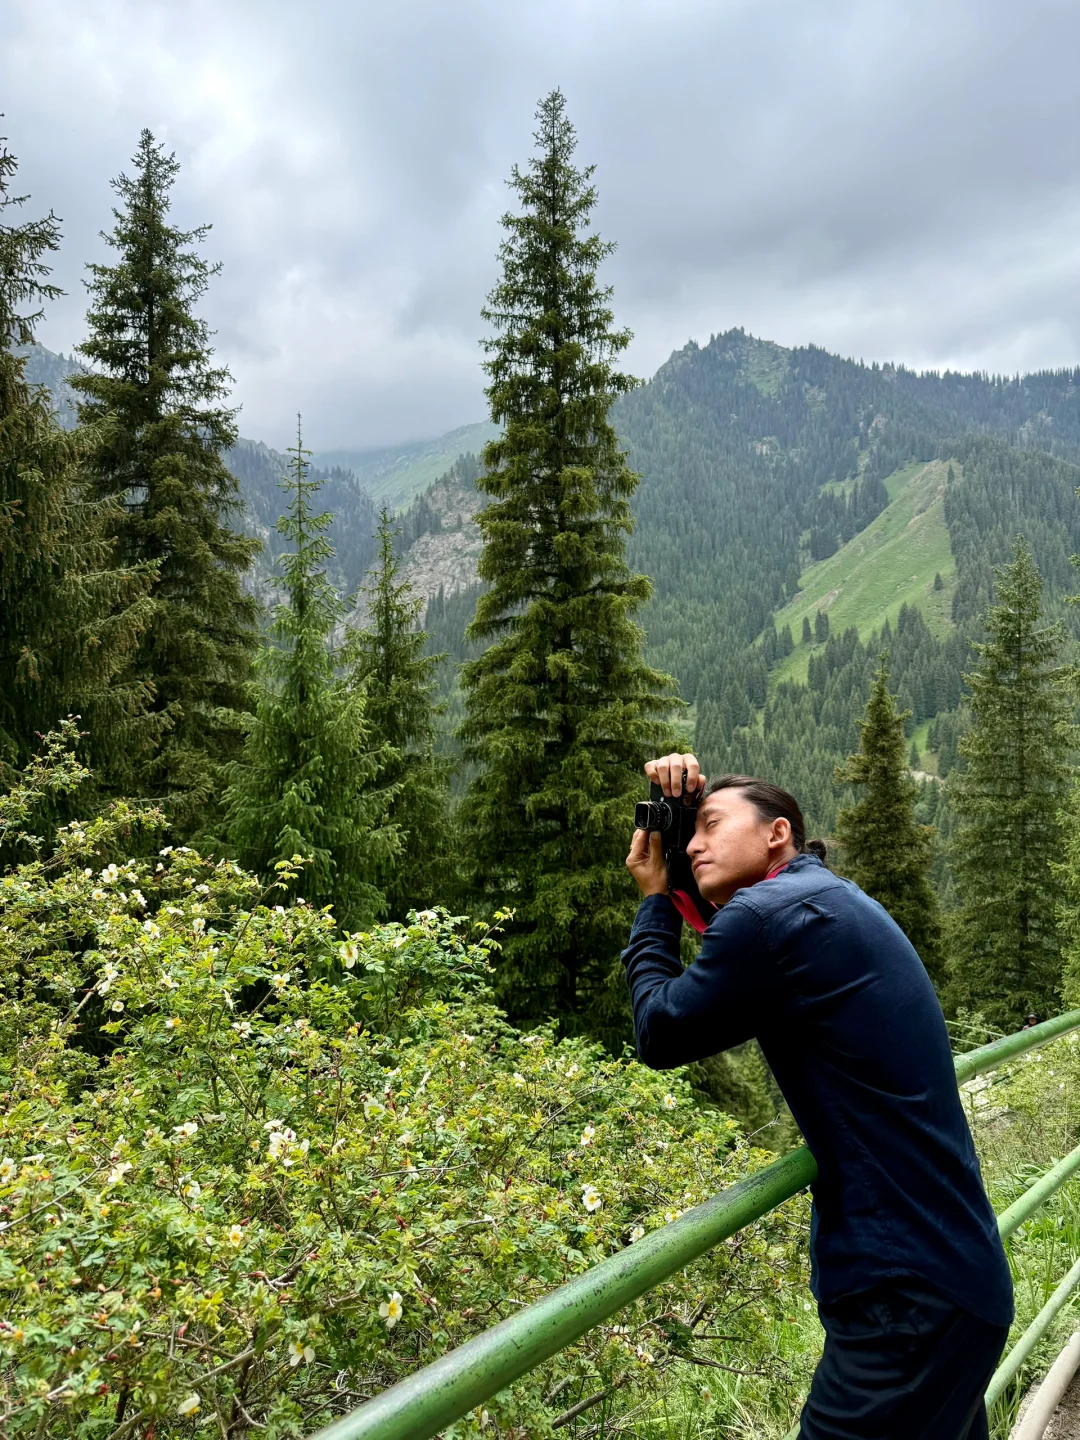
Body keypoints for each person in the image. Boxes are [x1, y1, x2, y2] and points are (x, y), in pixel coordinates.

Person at [623, 754, 1013, 1440]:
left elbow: (660, 1030)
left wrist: (655, 903)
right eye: (691, 832)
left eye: (711, 825)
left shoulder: (768, 918)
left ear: (777, 834)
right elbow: (726, 931)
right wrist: (682, 810)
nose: (691, 845)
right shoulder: (817, 901)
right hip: (949, 1277)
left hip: (904, 1301)